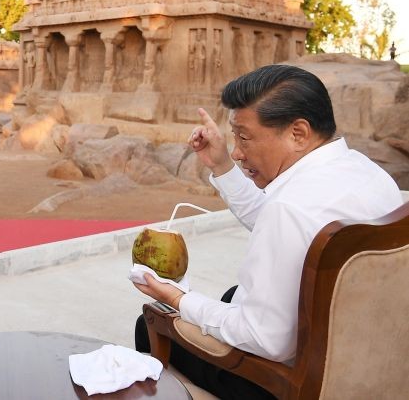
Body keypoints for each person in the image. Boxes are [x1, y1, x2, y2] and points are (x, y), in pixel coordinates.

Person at [133, 64, 403, 399]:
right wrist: (221, 166)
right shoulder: (367, 172)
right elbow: (283, 227)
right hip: (369, 351)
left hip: (288, 381)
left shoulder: (289, 208)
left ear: (298, 133)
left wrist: (175, 298)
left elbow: (265, 339)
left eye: (244, 137)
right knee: (233, 295)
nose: (236, 151)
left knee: (150, 323)